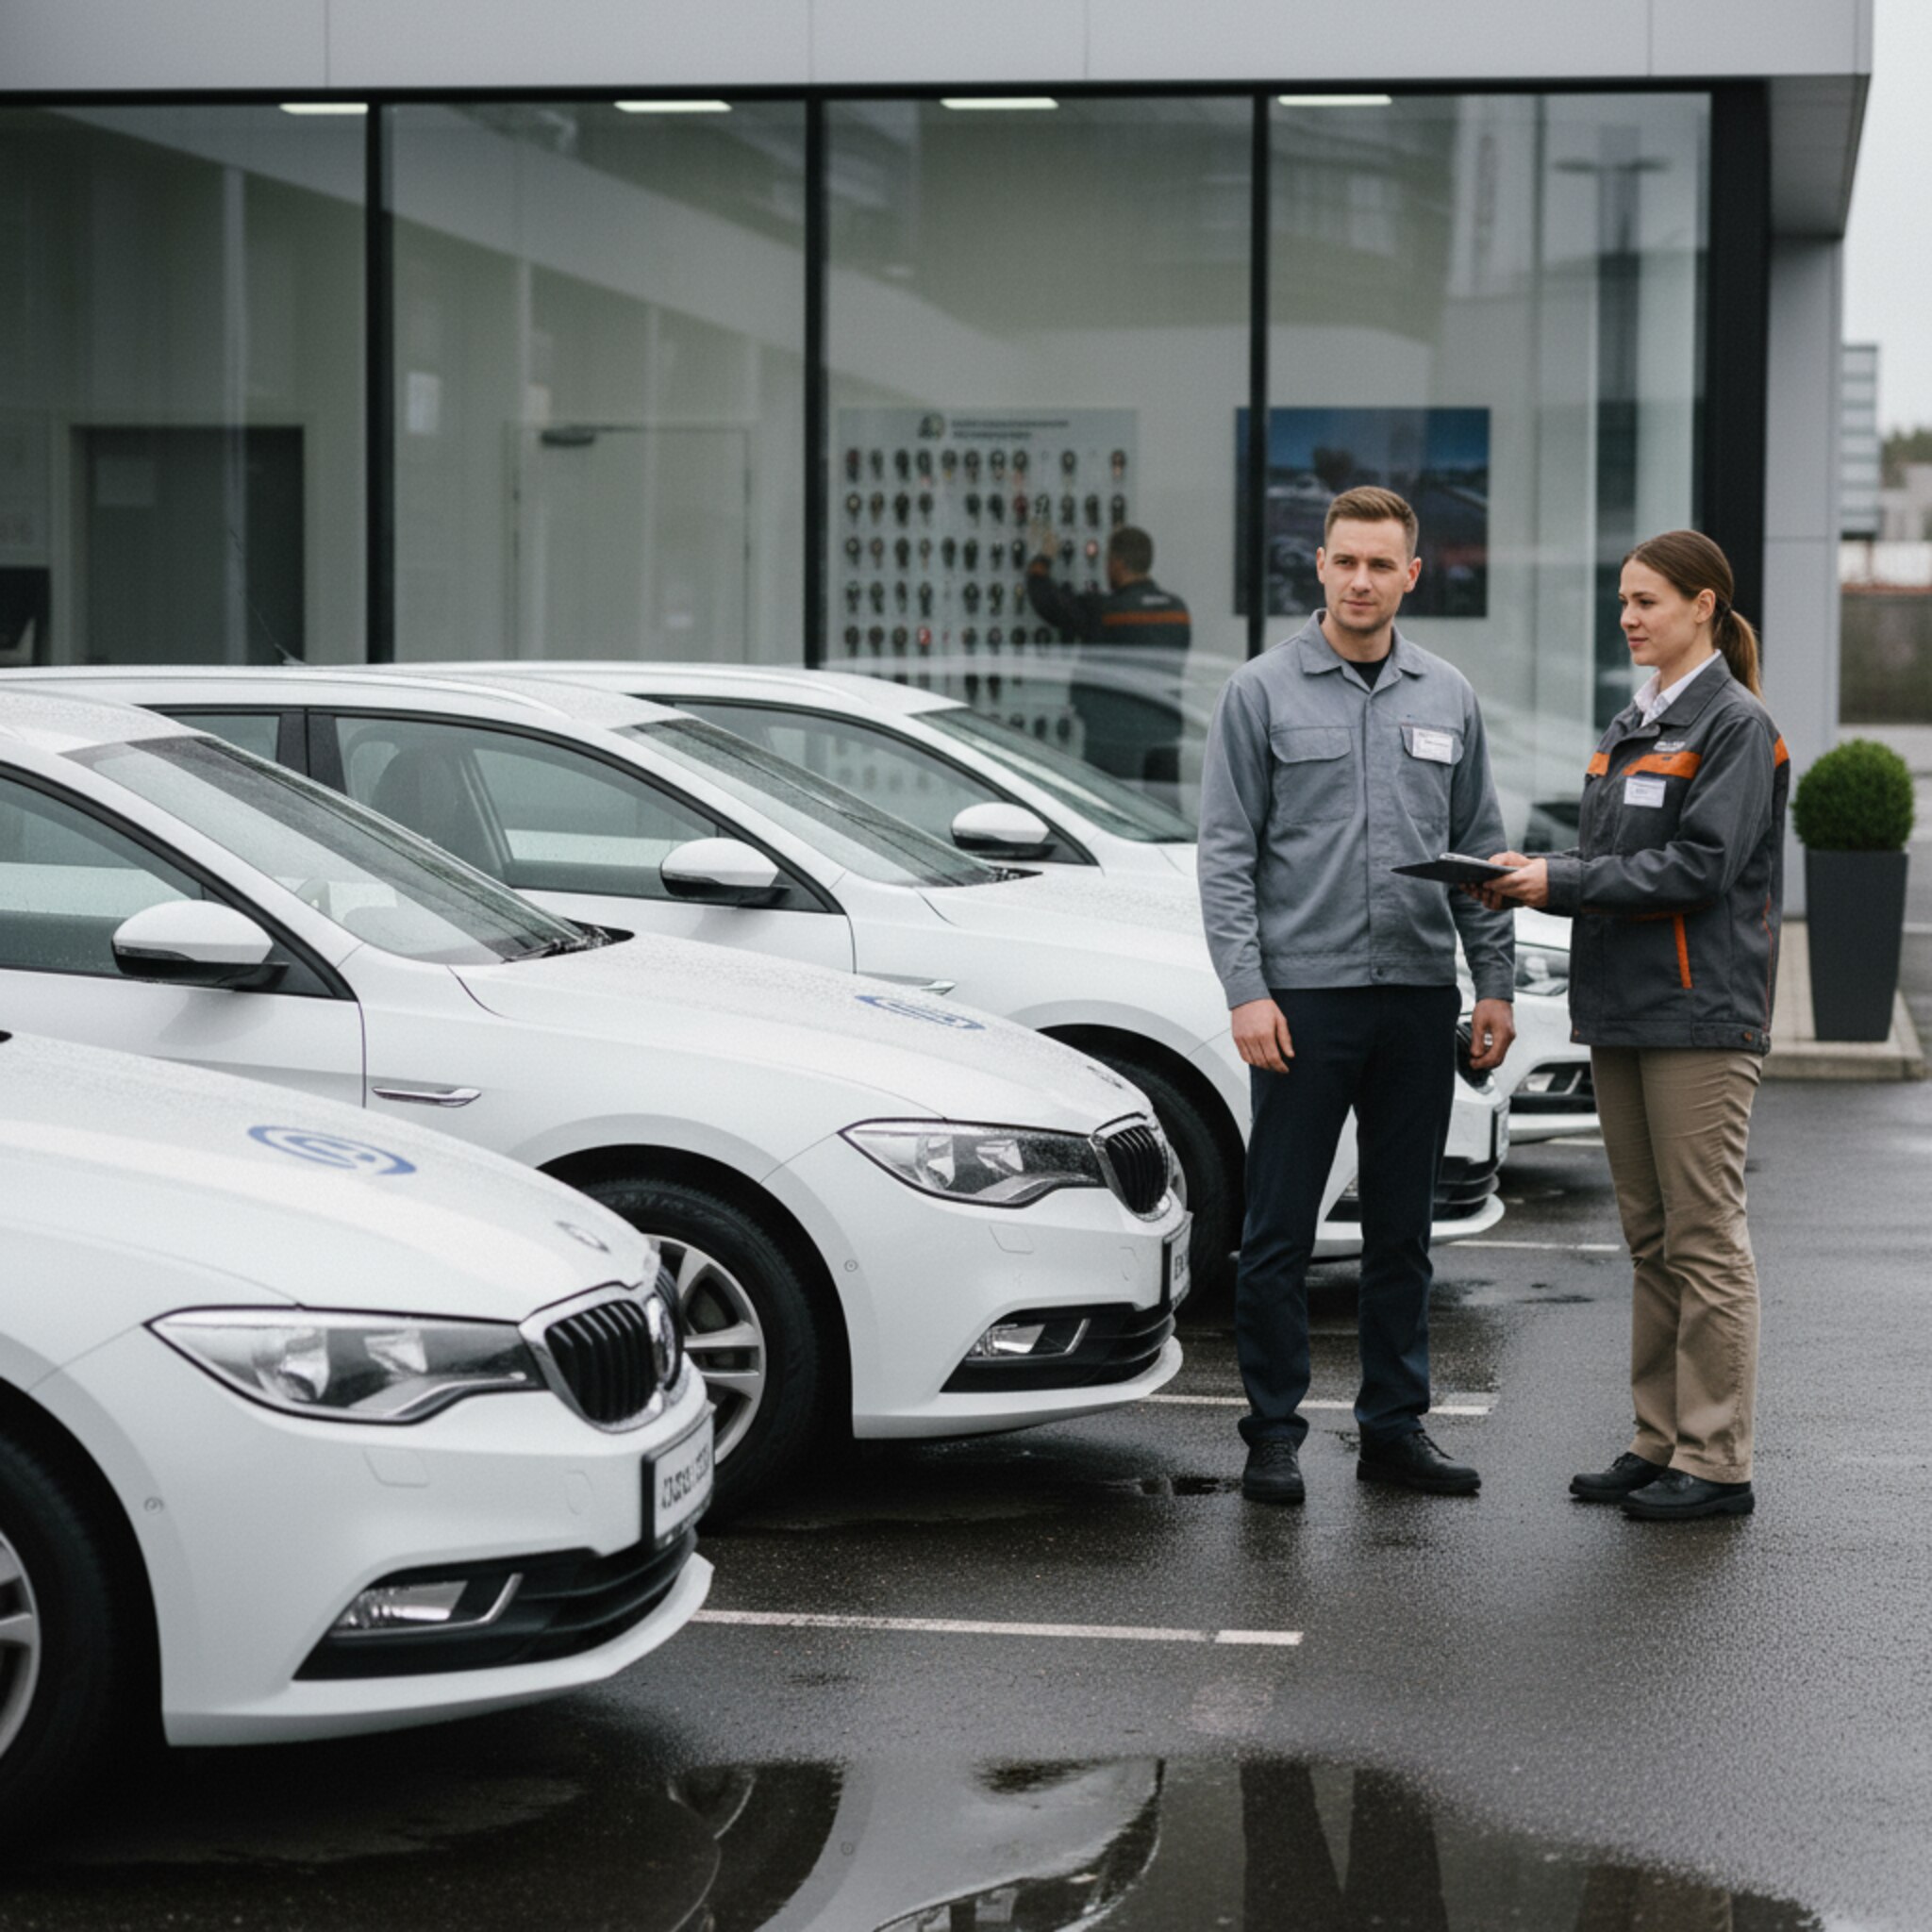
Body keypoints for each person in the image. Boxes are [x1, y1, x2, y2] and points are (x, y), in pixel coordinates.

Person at [1197, 485, 1516, 1505]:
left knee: (1400, 1231)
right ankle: (1273, 1433)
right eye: (1345, 561)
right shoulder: (1258, 693)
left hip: (1417, 1000)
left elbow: (1478, 856)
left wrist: (1494, 983)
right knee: (1280, 1229)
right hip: (1303, 1002)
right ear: (1319, 564)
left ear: (1411, 574)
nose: (1361, 580)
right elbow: (1223, 858)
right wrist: (1247, 991)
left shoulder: (1446, 695)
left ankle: (1392, 1428)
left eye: (1382, 564)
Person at [1479, 529, 1788, 1522]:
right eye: (1622, 598)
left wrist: (1554, 879)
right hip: (1620, 1007)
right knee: (1650, 1236)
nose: (1627, 615)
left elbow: (1696, 866)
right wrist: (1529, 872)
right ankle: (1658, 1439)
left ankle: (1716, 1456)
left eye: (1646, 599)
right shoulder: (1630, 724)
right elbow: (1618, 859)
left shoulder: (1734, 725)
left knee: (1702, 1237)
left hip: (1699, 1014)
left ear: (1702, 606)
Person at [1024, 525, 1190, 785]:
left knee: (1110, 811)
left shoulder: (1106, 611)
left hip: (1115, 736)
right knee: (1164, 813)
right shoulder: (1177, 610)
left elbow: (1047, 601)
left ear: (1117, 563)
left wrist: (1042, 559)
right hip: (1164, 731)